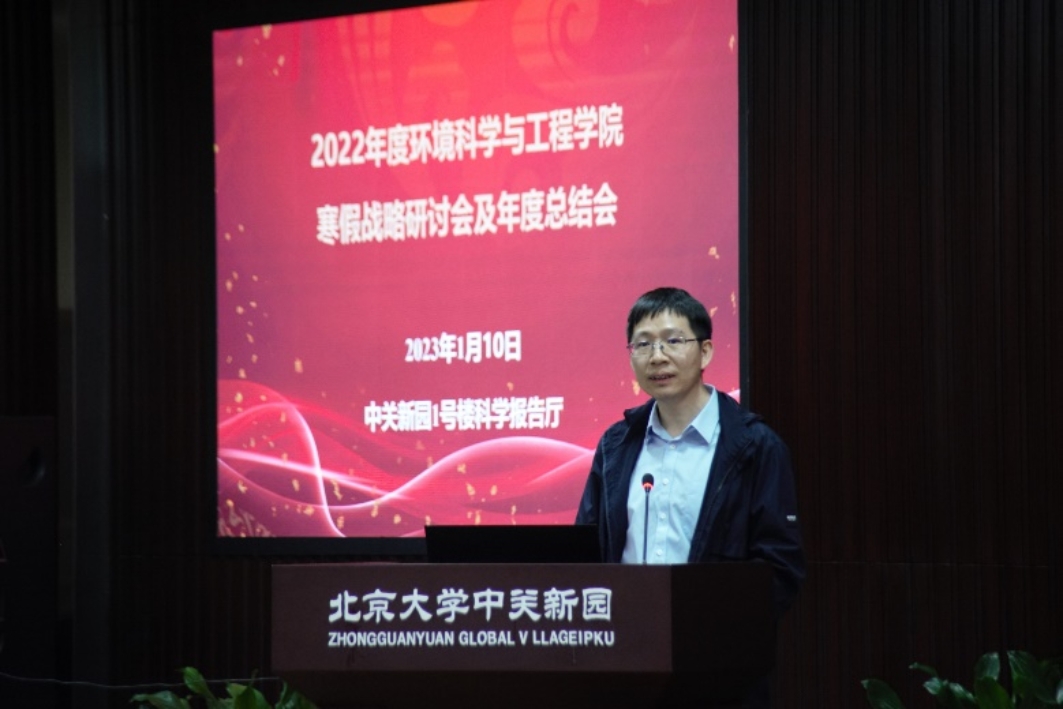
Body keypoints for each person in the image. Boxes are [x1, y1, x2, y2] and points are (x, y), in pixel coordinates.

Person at [575, 287, 805, 708]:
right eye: (643, 344)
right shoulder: (615, 446)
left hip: (718, 674)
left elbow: (780, 568)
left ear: (706, 351)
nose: (657, 357)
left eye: (672, 340)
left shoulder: (754, 446)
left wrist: (714, 635)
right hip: (625, 666)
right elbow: (587, 549)